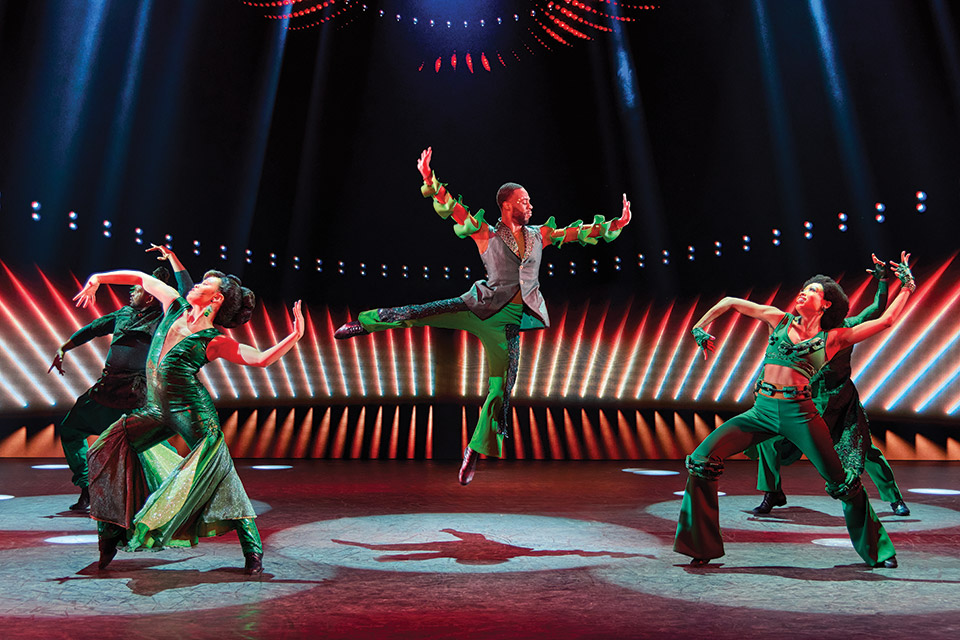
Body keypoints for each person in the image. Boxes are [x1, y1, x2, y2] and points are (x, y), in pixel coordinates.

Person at [335, 146, 631, 484]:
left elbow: (579, 233)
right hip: (478, 305)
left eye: (530, 201)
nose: (530, 205)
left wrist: (616, 223)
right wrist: (429, 178)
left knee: (502, 389)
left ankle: (474, 450)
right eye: (524, 201)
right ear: (506, 206)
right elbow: (454, 211)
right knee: (422, 312)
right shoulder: (485, 233)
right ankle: (365, 322)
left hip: (509, 323)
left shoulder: (540, 235)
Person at [674, 252, 915, 568]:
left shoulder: (833, 338)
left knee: (843, 483)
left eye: (814, 290)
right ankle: (700, 545)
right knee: (703, 459)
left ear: (826, 304)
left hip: (800, 414)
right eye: (805, 287)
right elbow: (731, 301)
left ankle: (879, 550)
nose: (805, 291)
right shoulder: (778, 319)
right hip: (761, 412)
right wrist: (699, 326)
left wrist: (907, 284)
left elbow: (886, 319)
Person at [73, 266, 304, 575]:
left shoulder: (213, 340)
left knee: (221, 477)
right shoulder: (173, 306)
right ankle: (111, 535)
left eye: (203, 285)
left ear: (217, 298)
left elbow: (261, 359)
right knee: (104, 448)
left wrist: (295, 335)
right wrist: (98, 279)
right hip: (155, 412)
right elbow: (142, 279)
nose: (194, 286)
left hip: (194, 414)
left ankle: (253, 550)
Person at [751, 255, 910, 517]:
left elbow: (878, 311)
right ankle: (773, 492)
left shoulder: (845, 328)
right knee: (768, 441)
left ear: (827, 305)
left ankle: (894, 498)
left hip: (840, 402)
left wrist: (883, 281)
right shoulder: (797, 329)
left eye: (813, 291)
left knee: (865, 450)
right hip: (806, 400)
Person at [48, 246, 192, 511]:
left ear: (151, 297)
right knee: (71, 429)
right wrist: (64, 348)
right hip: (106, 389)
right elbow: (92, 329)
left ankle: (181, 492)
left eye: (136, 289)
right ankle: (87, 489)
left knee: (153, 446)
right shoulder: (123, 314)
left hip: (137, 394)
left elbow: (185, 294)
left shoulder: (163, 317)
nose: (131, 291)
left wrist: (173, 258)